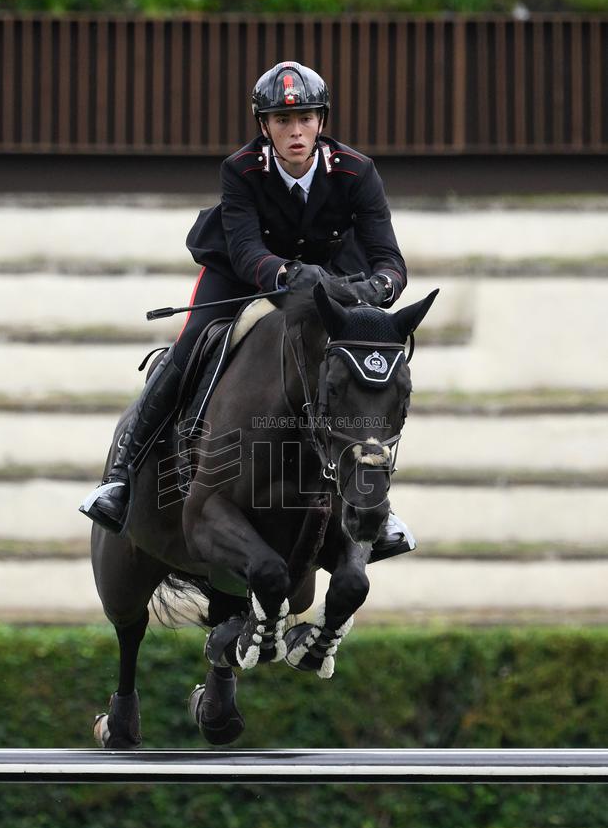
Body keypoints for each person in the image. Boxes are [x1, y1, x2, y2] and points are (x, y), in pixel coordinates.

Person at [80, 61, 416, 560]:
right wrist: (284, 274)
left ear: (321, 122)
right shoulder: (240, 169)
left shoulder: (356, 170)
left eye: (305, 118)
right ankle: (121, 478)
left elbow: (388, 257)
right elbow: (244, 250)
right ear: (265, 126)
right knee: (190, 344)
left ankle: (377, 508)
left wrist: (379, 286)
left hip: (328, 279)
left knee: (369, 368)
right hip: (242, 274)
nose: (295, 131)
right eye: (283, 121)